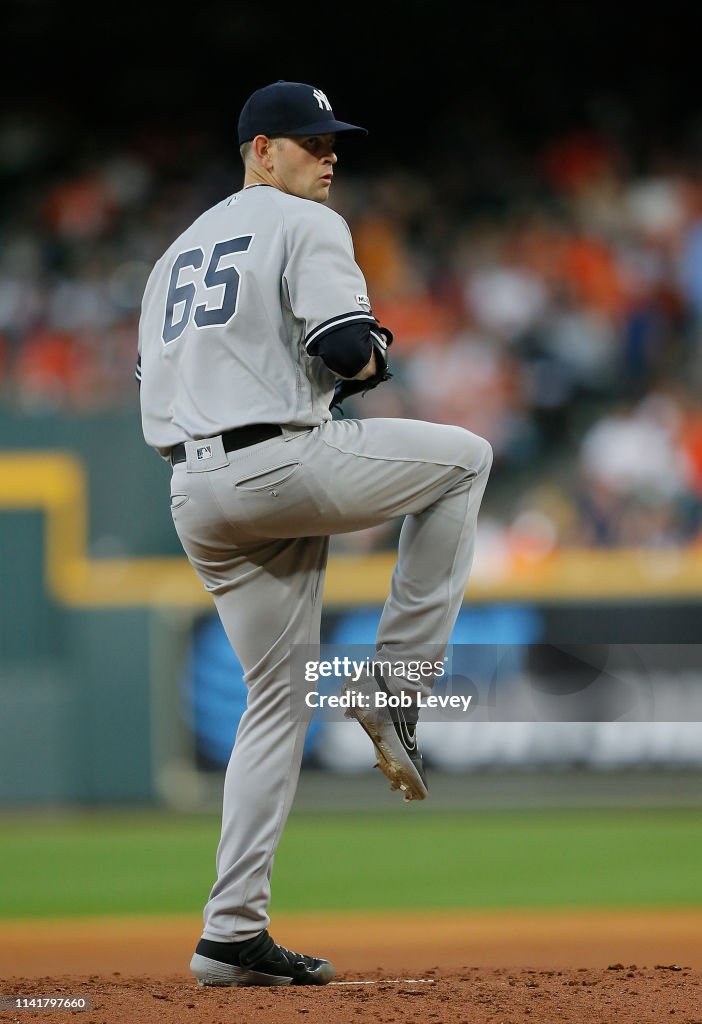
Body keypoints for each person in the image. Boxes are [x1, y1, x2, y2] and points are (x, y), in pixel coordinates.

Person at [136, 79, 492, 988]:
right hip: (277, 466)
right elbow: (343, 349)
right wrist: (372, 353)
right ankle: (397, 686)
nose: (328, 155)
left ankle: (231, 935)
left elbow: (166, 373)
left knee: (274, 701)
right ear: (261, 150)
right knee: (464, 456)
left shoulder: (175, 251)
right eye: (308, 141)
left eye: (333, 142)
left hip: (194, 491)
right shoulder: (305, 224)